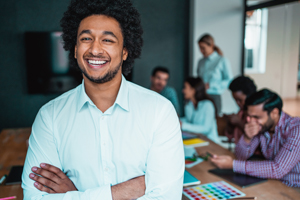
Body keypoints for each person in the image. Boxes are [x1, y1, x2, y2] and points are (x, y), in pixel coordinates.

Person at [21, 0, 184, 199]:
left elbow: (166, 196)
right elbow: (35, 197)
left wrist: (74, 195)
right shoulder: (50, 116)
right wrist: (122, 192)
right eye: (86, 38)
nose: (95, 50)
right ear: (74, 49)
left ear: (125, 51)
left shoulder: (160, 111)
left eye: (107, 40)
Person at [211, 89, 300, 187]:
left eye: (256, 117)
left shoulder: (296, 129)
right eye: (249, 116)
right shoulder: (263, 127)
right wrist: (247, 137)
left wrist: (233, 165)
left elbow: (278, 169)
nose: (250, 121)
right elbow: (241, 157)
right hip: (273, 182)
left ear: (274, 113)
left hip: (294, 188)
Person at [197, 33, 232, 115]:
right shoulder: (200, 62)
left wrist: (211, 85)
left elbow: (229, 80)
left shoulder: (222, 61)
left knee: (215, 120)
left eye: (203, 48)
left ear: (211, 45)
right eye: (200, 48)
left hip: (214, 96)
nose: (201, 51)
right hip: (201, 95)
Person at [180, 77, 220, 144]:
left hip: (211, 143)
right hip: (197, 141)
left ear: (193, 90)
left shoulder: (207, 105)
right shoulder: (188, 105)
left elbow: (206, 129)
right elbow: (189, 121)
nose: (183, 91)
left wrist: (183, 125)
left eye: (185, 88)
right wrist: (177, 121)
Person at [224, 76, 257, 144]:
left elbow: (257, 139)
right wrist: (230, 123)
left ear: (250, 96)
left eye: (240, 100)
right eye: (235, 100)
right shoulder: (241, 112)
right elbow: (230, 136)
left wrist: (239, 123)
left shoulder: (258, 114)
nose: (237, 103)